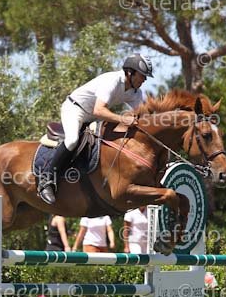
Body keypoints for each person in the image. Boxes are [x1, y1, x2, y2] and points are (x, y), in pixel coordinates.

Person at [38, 54, 154, 204]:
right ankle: (46, 180)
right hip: (75, 109)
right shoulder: (113, 80)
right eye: (142, 75)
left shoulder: (135, 92)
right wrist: (123, 119)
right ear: (130, 72)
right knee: (72, 140)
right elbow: (99, 110)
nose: (144, 80)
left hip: (92, 117)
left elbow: (143, 117)